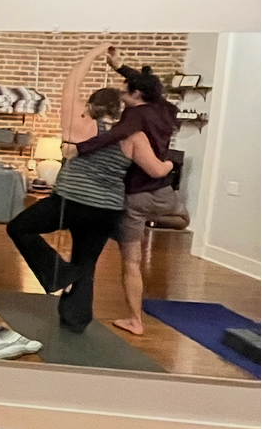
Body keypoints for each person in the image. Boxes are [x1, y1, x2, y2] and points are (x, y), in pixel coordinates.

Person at [6, 41, 174, 332]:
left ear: (90, 106)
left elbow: (71, 83)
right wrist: (171, 163)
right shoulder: (134, 136)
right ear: (120, 109)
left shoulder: (79, 125)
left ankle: (58, 274)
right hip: (106, 210)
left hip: (70, 202)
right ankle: (75, 321)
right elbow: (157, 170)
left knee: (19, 228)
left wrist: (95, 52)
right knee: (85, 263)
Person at [72, 51, 186, 337]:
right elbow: (150, 86)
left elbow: (111, 136)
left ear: (136, 95)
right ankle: (160, 219)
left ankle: (136, 320)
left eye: (126, 90)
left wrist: (78, 149)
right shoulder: (165, 109)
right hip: (164, 193)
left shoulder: (134, 117)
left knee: (131, 262)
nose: (122, 93)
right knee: (181, 218)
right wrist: (120, 66)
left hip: (135, 197)